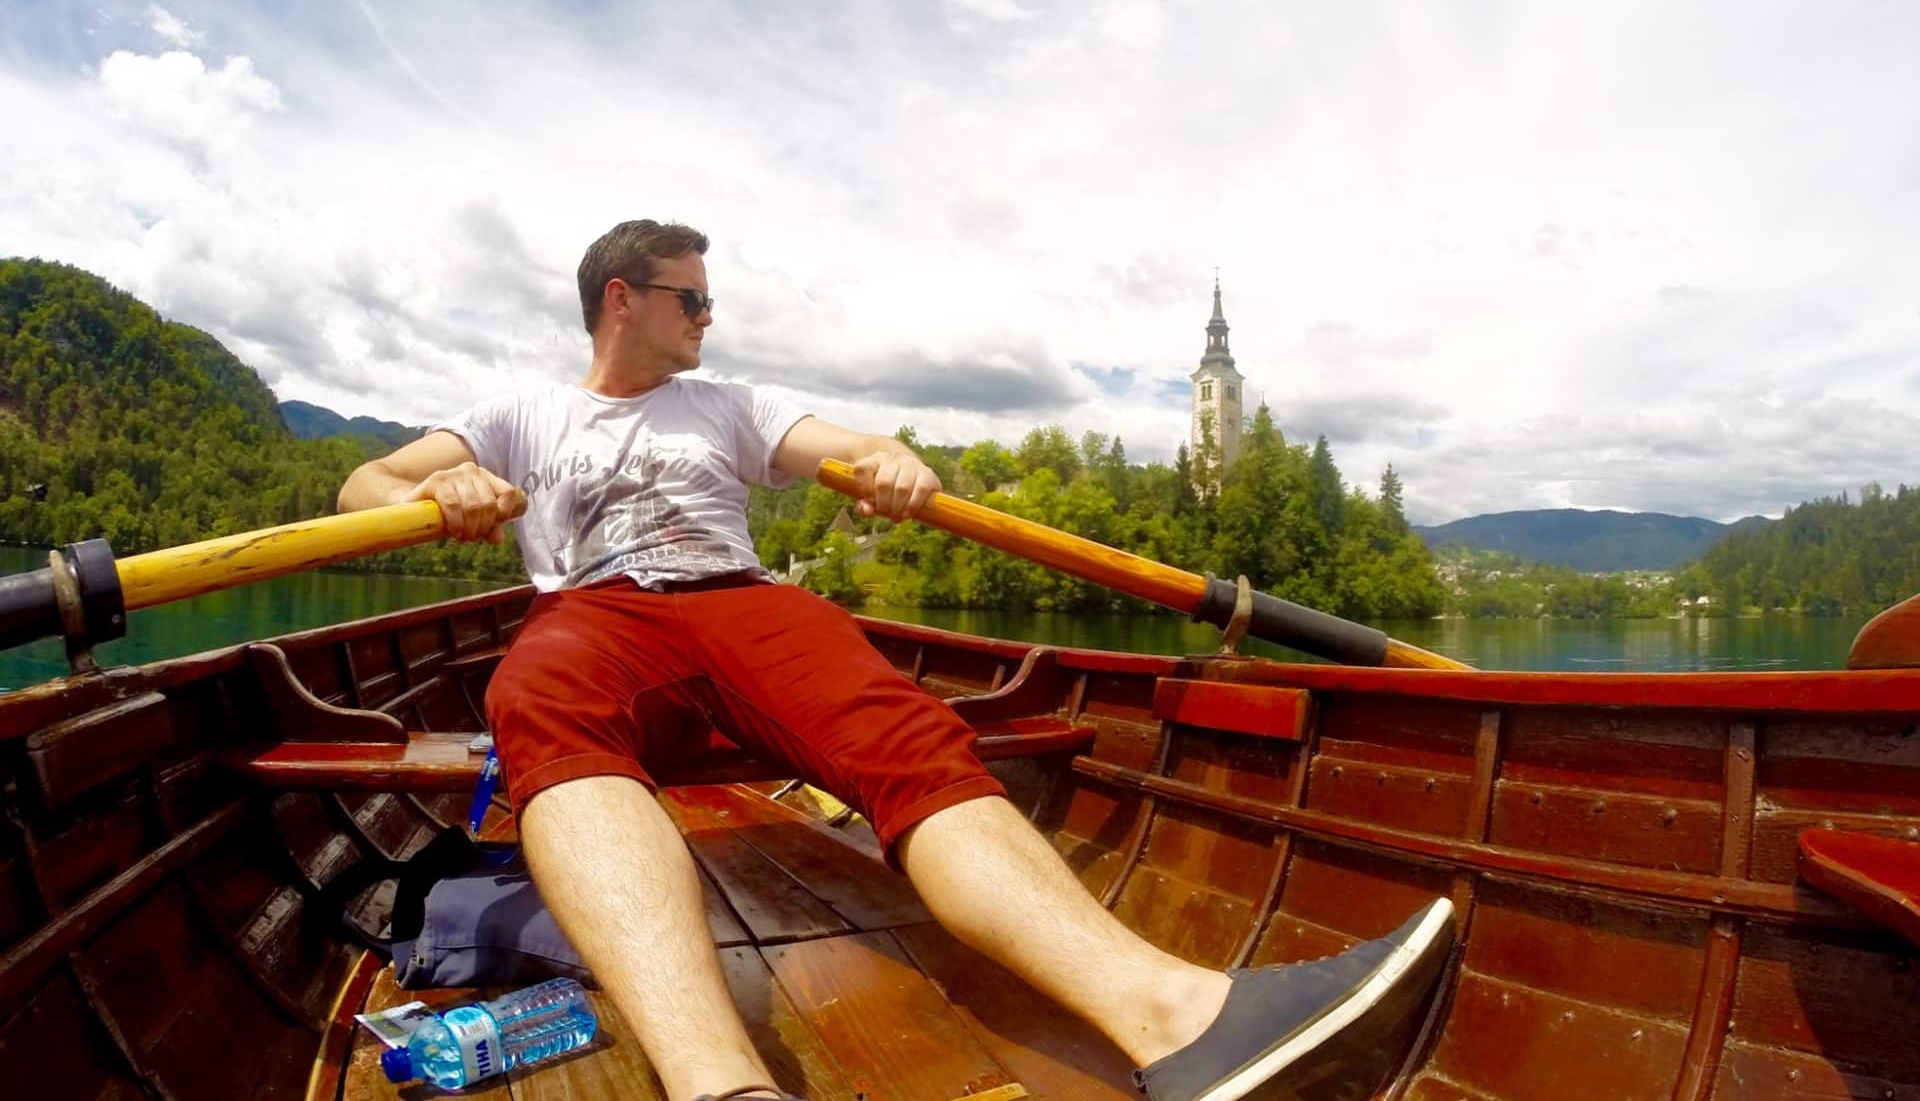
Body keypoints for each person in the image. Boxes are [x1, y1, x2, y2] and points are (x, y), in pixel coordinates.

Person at [338, 220, 1452, 1101]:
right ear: (620, 298)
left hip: (739, 604)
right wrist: (434, 486)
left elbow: (853, 448)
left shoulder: (728, 403)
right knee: (536, 697)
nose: (710, 318)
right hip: (594, 613)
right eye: (694, 298)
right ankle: (719, 1088)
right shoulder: (522, 412)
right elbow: (364, 490)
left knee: (901, 734)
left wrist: (893, 457)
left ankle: (1175, 1018)